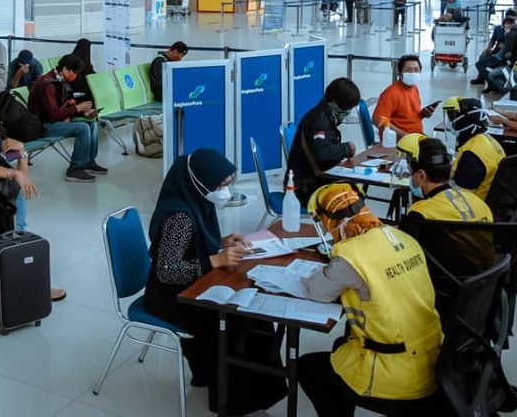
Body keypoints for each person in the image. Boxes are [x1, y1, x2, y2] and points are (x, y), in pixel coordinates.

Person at [144, 148, 286, 415]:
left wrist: (221, 243)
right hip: (171, 296)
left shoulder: (195, 201)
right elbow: (167, 270)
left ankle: (243, 392)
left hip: (189, 285)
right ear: (199, 183)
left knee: (255, 317)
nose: (225, 190)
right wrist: (215, 261)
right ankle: (230, 399)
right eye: (220, 185)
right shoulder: (180, 217)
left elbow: (192, 245)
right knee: (239, 319)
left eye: (227, 184)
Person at [298, 183, 444, 416]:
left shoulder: (351, 255)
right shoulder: (400, 236)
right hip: (433, 358)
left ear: (330, 221)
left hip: (395, 371)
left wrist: (321, 273)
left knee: (308, 369)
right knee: (341, 347)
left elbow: (318, 293)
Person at [398, 137, 494, 276]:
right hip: (482, 281)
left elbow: (399, 250)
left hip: (444, 284)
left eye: (410, 170)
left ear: (421, 175)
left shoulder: (421, 213)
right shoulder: (477, 202)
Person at [28, 55, 104, 182]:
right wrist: (77, 109)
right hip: (43, 126)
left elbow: (61, 107)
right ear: (64, 69)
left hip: (56, 120)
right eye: (73, 72)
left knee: (92, 123)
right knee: (83, 128)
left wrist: (81, 113)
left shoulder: (58, 80)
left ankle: (88, 162)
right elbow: (53, 114)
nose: (74, 76)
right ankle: (74, 169)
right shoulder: (48, 85)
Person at [286, 77, 361, 203]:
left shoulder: (325, 115)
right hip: (305, 187)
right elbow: (322, 153)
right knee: (351, 197)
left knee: (355, 189)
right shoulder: (318, 121)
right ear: (335, 101)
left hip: (315, 178)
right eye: (346, 107)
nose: (347, 112)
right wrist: (346, 148)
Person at [441, 97, 504, 200]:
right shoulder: (487, 139)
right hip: (491, 198)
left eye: (452, 117)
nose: (450, 122)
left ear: (463, 119)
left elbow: (461, 197)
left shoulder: (471, 156)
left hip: (474, 205)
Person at [372, 55, 435, 137]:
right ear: (399, 72)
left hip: (415, 135)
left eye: (416, 70)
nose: (413, 73)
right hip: (399, 140)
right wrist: (403, 135)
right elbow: (377, 119)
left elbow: (405, 116)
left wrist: (423, 114)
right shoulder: (391, 93)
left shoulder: (414, 88)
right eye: (408, 70)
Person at [470, 8, 517, 85]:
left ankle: (491, 82)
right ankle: (481, 77)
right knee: (483, 56)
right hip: (496, 51)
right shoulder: (498, 28)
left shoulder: (515, 30)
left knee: (482, 63)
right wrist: (488, 48)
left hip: (504, 55)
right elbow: (493, 40)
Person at [66, 37, 97, 102]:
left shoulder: (86, 60)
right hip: (73, 88)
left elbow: (91, 71)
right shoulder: (71, 60)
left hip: (84, 86)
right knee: (91, 93)